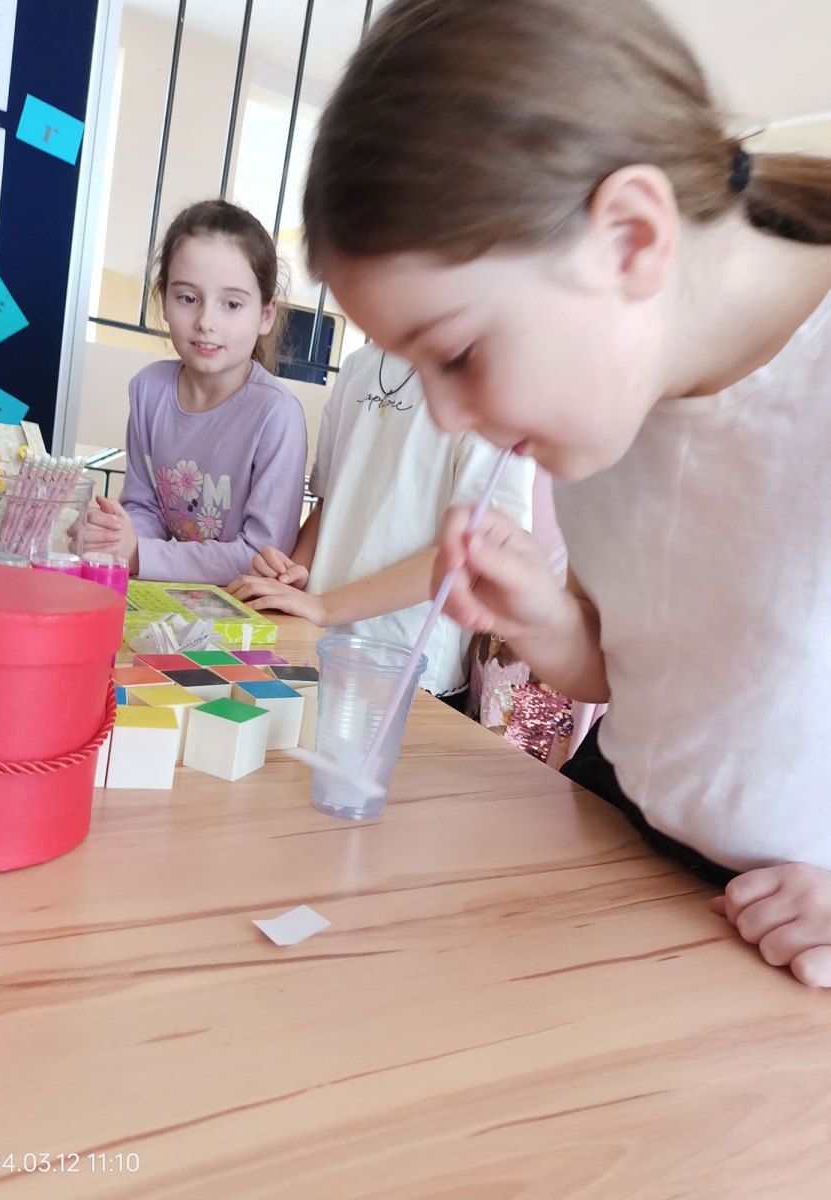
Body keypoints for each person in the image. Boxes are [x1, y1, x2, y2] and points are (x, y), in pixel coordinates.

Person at [300, 0, 831, 986]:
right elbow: (635, 674)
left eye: (457, 353)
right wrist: (545, 620)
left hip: (788, 953)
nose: (444, 417)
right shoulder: (615, 411)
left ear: (629, 238)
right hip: (629, 848)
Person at [228, 340, 534, 704]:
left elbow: (476, 552)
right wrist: (295, 573)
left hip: (408, 670)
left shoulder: (497, 384)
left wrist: (325, 607)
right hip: (316, 646)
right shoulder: (359, 364)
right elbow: (329, 503)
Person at [84, 200, 307, 583]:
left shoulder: (276, 414)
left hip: (243, 605)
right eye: (188, 298)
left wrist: (141, 553)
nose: (206, 321)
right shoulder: (148, 390)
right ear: (164, 301)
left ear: (266, 315)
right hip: (169, 594)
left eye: (232, 304)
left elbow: (264, 556)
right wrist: (118, 535)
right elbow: (144, 508)